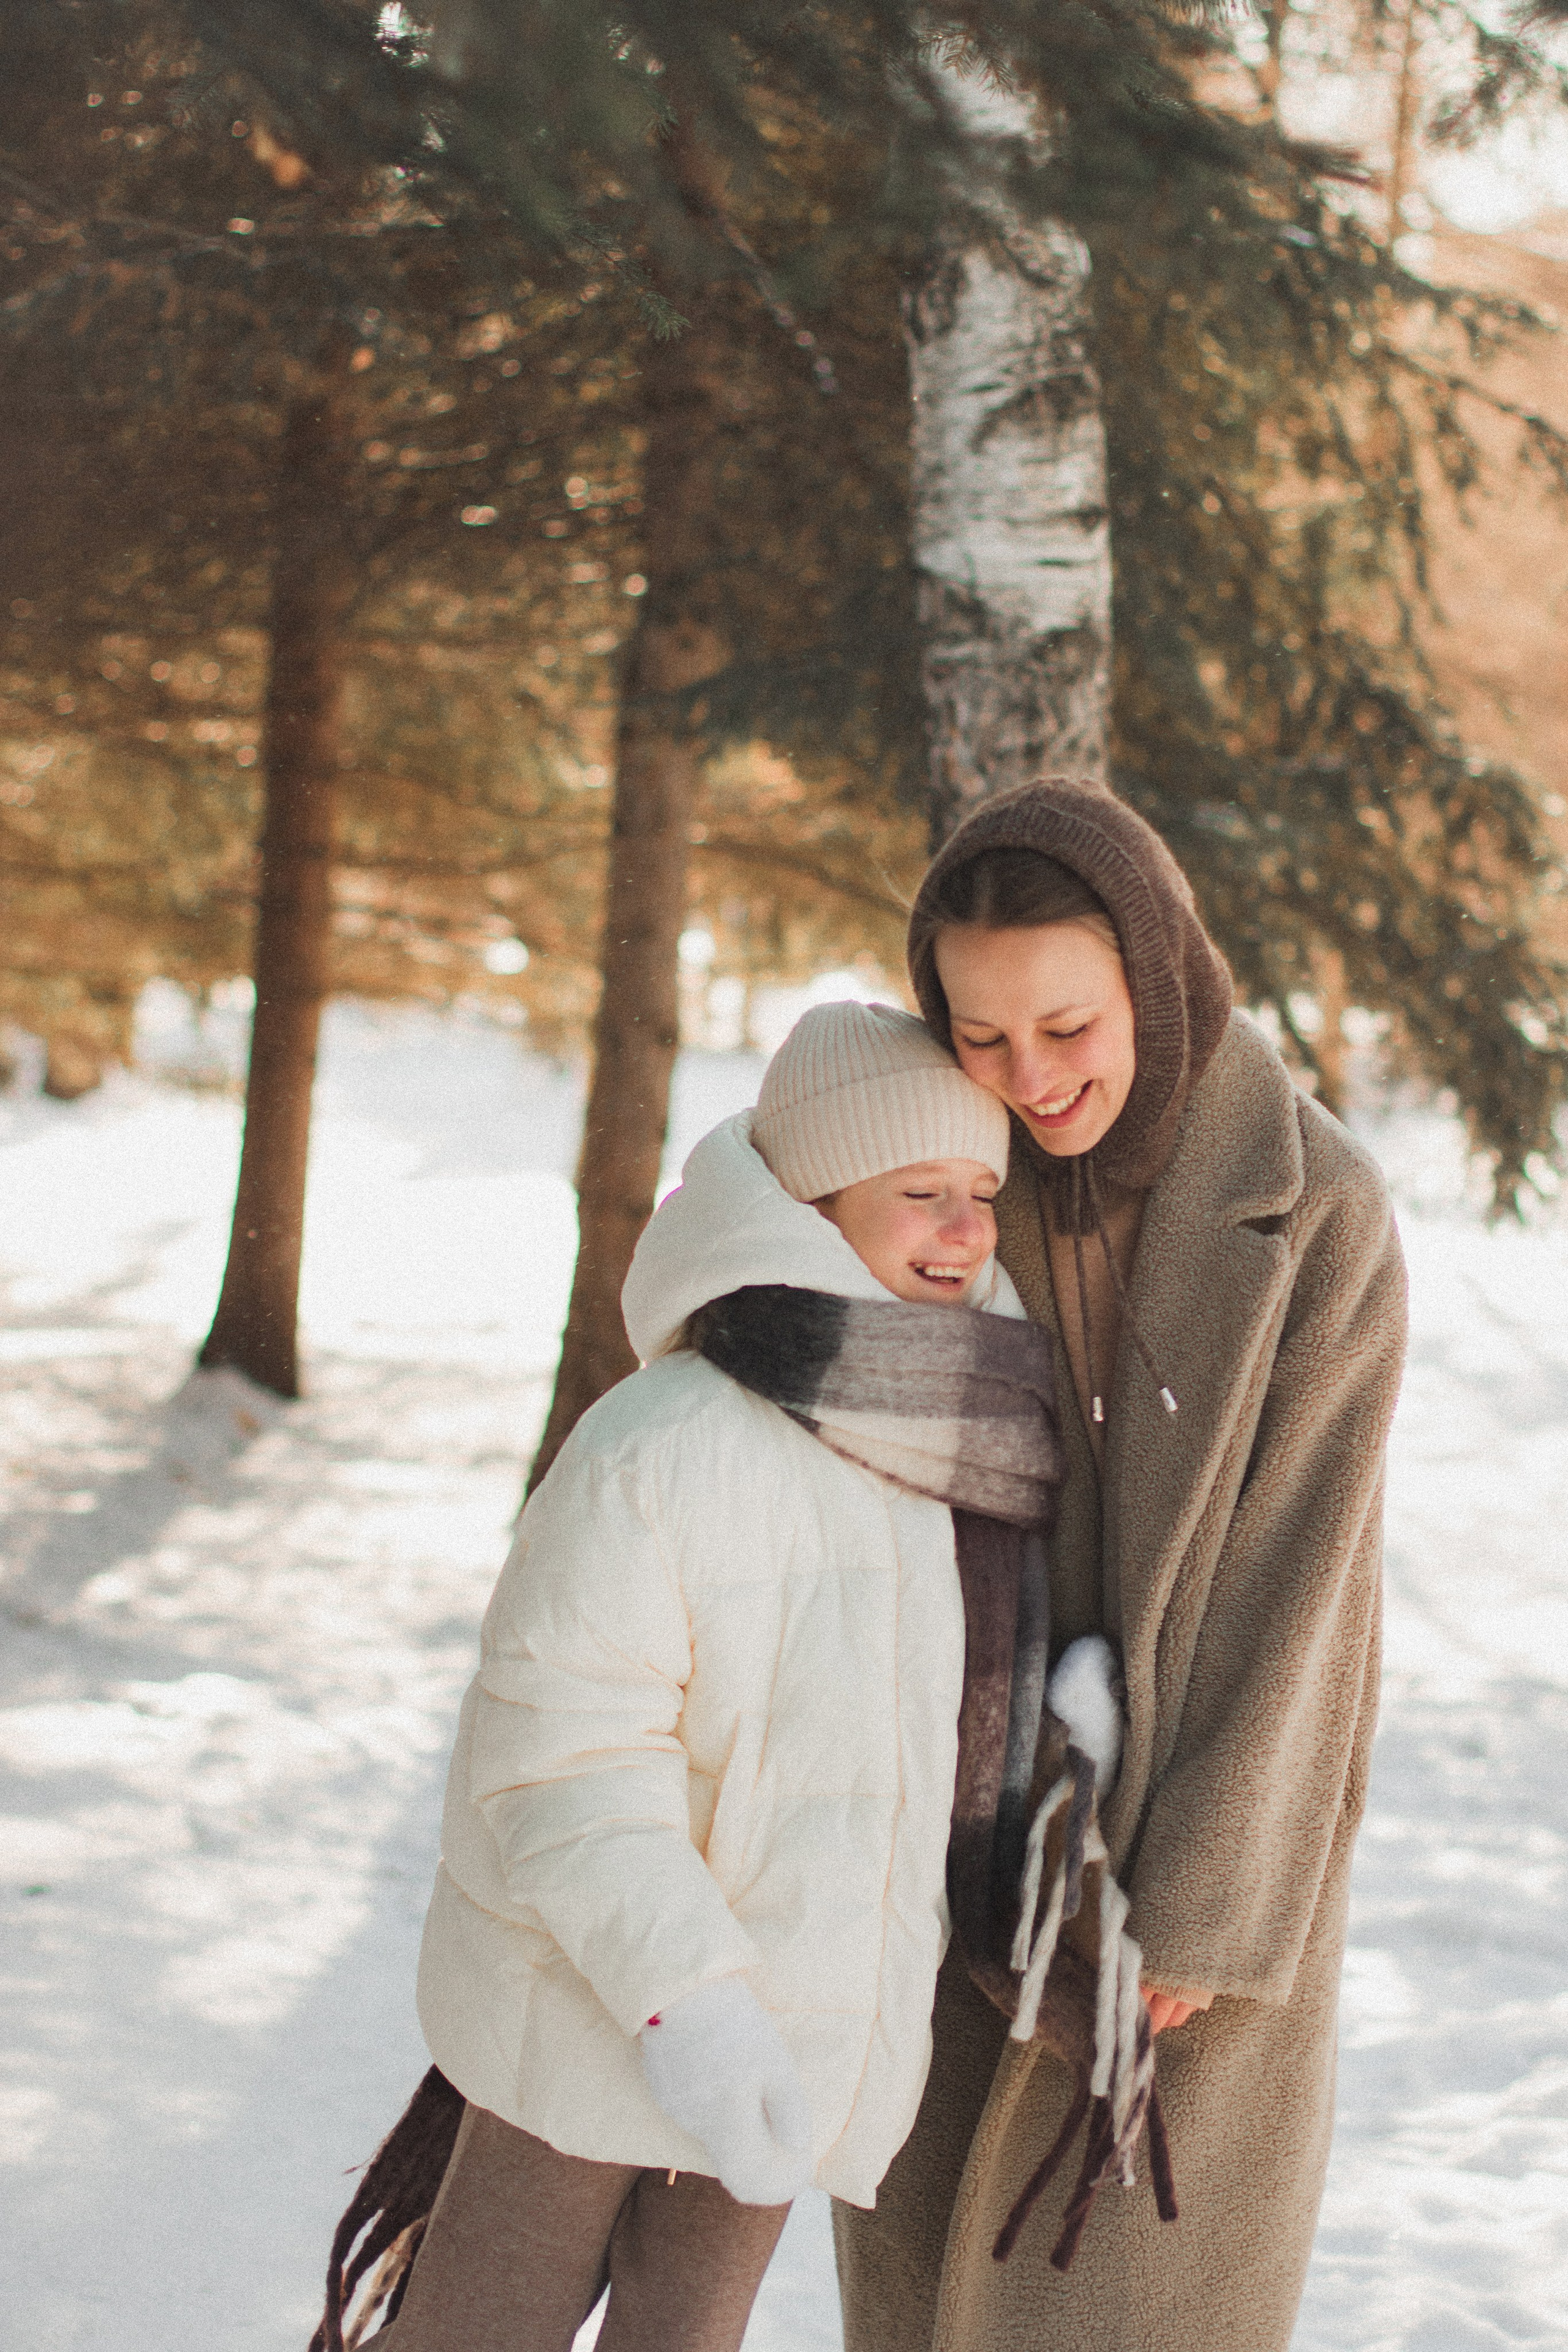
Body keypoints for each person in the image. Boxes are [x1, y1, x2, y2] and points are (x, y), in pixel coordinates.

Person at [366, 1000, 1069, 2352]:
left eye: (981, 1193)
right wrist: (686, 2000)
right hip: (597, 2000)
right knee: (479, 2330)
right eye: (918, 1193)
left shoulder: (959, 1435)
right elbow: (563, 1755)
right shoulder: (661, 1442)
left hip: (794, 2021)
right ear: (810, 1204)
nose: (965, 1229)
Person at [834, 779, 1409, 2352]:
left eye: (1067, 1027)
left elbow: (1302, 1587)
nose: (1029, 1079)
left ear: (1153, 974)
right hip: (965, 1824)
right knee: (923, 2284)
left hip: (1191, 1860)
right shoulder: (938, 1183)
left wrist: (1199, 1909)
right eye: (979, 1036)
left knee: (1134, 2289)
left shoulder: (1318, 1215)